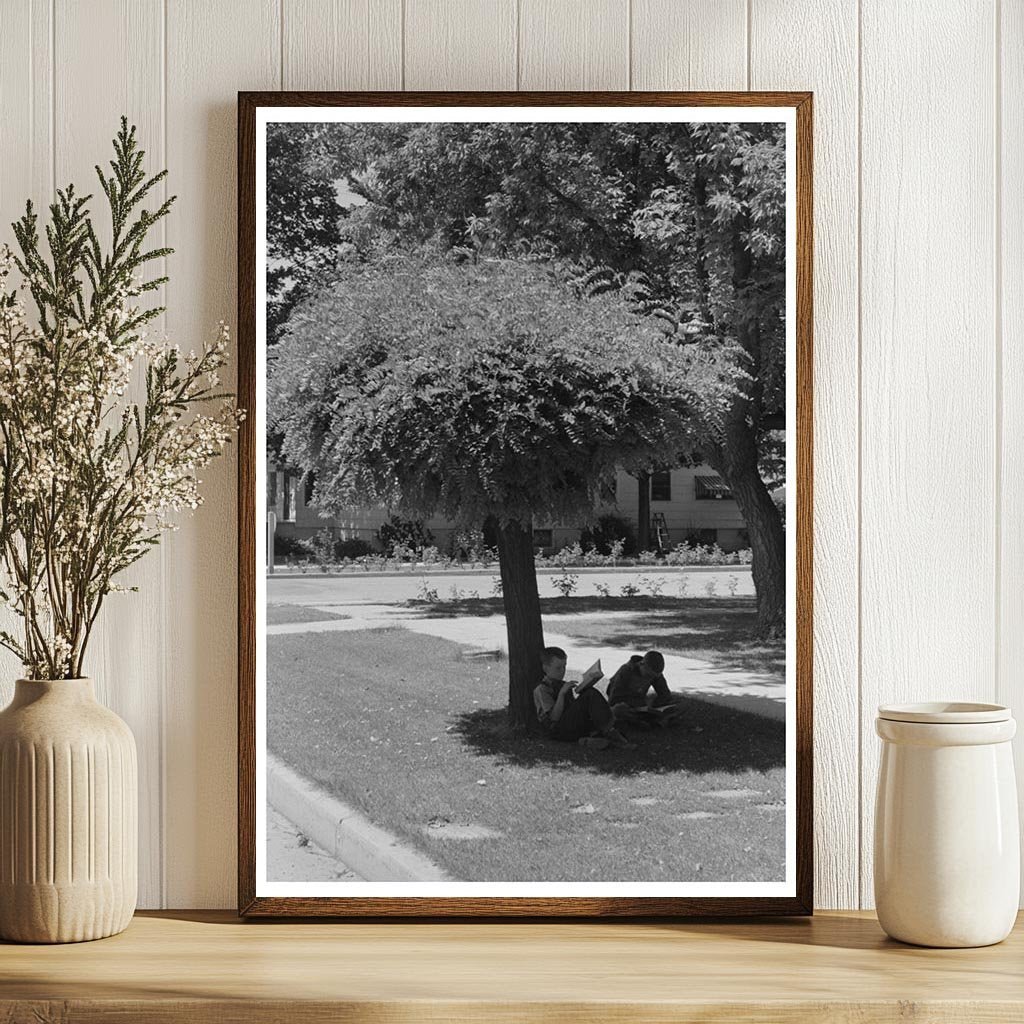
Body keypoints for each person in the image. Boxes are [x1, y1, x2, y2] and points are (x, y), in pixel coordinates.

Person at [533, 646, 635, 749]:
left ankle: (597, 736)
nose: (562, 671)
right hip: (558, 731)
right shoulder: (542, 689)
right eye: (558, 668)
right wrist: (562, 694)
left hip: (571, 725)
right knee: (590, 694)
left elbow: (572, 710)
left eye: (564, 666)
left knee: (591, 698)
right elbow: (554, 718)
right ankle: (609, 734)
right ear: (545, 668)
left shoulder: (562, 684)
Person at [606, 650, 685, 729]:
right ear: (641, 664)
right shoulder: (625, 671)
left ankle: (650, 721)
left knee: (679, 706)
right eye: (648, 675)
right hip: (625, 706)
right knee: (619, 711)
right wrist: (636, 705)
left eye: (653, 676)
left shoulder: (655, 674)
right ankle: (651, 722)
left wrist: (656, 707)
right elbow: (613, 699)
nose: (650, 678)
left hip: (642, 707)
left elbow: (664, 694)